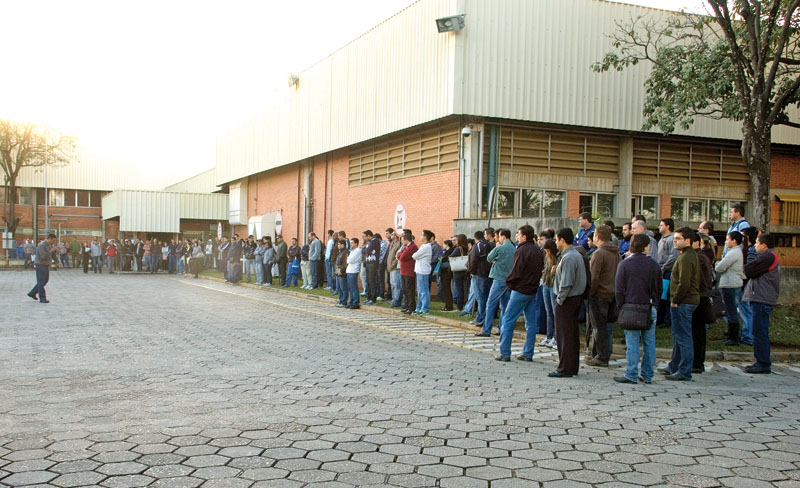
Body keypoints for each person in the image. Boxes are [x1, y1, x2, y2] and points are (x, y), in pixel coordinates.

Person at [614, 234, 662, 384]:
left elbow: (619, 289)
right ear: (645, 246)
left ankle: (631, 373)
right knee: (649, 342)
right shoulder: (654, 265)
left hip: (630, 306)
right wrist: (655, 302)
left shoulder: (625, 264)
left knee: (632, 342)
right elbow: (659, 288)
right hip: (648, 306)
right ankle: (647, 374)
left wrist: (621, 305)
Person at [494, 225, 543, 362]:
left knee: (508, 320)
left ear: (524, 236)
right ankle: (528, 353)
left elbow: (517, 270)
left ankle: (505, 352)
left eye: (518, 235)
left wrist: (510, 283)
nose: (516, 237)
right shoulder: (538, 251)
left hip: (520, 289)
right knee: (531, 323)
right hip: (532, 290)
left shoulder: (521, 250)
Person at [660, 227, 700, 381]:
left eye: (678, 238)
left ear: (687, 241)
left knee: (683, 336)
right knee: (678, 335)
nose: (674, 241)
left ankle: (684, 370)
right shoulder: (685, 255)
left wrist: (675, 299)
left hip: (683, 301)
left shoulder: (686, 257)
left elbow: (684, 282)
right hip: (683, 300)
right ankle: (674, 365)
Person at [551, 228, 587, 378]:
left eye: (556, 239)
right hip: (571, 299)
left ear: (562, 240)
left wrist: (559, 300)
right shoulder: (571, 255)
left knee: (565, 335)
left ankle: (565, 367)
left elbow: (566, 283)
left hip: (567, 300)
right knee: (570, 334)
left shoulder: (570, 257)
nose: (555, 242)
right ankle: (570, 366)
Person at [742, 233, 780, 374]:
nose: (755, 246)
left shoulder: (768, 257)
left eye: (757, 243)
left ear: (764, 245)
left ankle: (763, 363)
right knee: (758, 330)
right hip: (760, 298)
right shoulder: (768, 256)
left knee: (759, 331)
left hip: (762, 299)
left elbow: (749, 269)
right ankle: (761, 361)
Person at [585, 225, 620, 367]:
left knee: (599, 327)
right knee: (604, 326)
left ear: (597, 237)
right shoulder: (615, 253)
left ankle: (601, 356)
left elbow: (594, 278)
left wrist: (590, 294)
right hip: (612, 292)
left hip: (599, 294)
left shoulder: (599, 253)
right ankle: (597, 353)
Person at [476, 228, 515, 337]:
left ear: (503, 236)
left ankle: (486, 329)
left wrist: (497, 249)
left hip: (498, 278)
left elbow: (489, 258)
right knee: (505, 306)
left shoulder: (500, 248)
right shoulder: (513, 248)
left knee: (491, 304)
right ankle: (502, 328)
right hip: (509, 279)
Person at [691, 231, 715, 374]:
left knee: (697, 333)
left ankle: (697, 362)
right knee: (698, 332)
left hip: (700, 298)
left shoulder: (698, 257)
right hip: (701, 296)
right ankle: (697, 362)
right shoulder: (701, 256)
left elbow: (698, 280)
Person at [716, 231, 745, 346]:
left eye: (728, 239)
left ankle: (734, 337)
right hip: (732, 283)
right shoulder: (735, 252)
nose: (726, 242)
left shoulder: (734, 252)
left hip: (730, 284)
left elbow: (720, 268)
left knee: (731, 310)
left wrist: (717, 264)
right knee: (730, 310)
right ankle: (732, 335)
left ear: (734, 241)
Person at [467, 231, 491, 325]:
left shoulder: (477, 246)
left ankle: (480, 318)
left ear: (475, 238)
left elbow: (473, 260)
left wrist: (472, 271)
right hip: (486, 273)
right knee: (484, 296)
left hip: (478, 274)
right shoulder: (487, 245)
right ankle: (484, 317)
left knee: (480, 297)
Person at [539, 239, 558, 349]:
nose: (547, 253)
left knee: (555, 312)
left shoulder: (556, 258)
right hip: (545, 284)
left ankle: (556, 337)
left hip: (553, 285)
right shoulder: (545, 257)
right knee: (548, 312)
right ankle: (549, 336)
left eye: (548, 251)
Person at [27, 234, 57, 303]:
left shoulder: (50, 245)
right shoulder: (42, 245)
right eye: (54, 240)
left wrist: (58, 261)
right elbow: (43, 256)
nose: (54, 242)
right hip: (40, 264)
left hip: (46, 264)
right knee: (41, 281)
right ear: (50, 239)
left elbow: (53, 255)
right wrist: (51, 251)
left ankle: (32, 292)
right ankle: (42, 297)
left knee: (45, 280)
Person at [412, 230, 433, 315]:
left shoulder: (427, 247)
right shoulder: (423, 246)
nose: (420, 237)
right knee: (420, 291)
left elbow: (414, 256)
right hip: (419, 270)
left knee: (424, 291)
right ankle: (419, 307)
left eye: (422, 235)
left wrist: (417, 256)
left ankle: (425, 308)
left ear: (425, 237)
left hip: (423, 271)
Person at [396, 233, 418, 315]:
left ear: (406, 240)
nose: (401, 242)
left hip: (409, 272)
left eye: (402, 240)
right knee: (405, 290)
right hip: (403, 271)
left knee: (409, 290)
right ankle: (408, 306)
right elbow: (398, 254)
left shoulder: (412, 247)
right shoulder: (406, 247)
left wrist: (400, 255)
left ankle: (412, 306)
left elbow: (402, 257)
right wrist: (400, 255)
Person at [386, 229, 403, 307]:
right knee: (392, 284)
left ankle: (397, 300)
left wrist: (393, 264)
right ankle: (393, 299)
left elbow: (397, 257)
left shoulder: (399, 243)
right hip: (390, 267)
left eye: (393, 234)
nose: (391, 235)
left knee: (396, 284)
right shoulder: (392, 243)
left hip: (395, 267)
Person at [451, 234, 469, 312]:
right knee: (464, 289)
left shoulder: (458, 249)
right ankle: (463, 305)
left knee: (459, 290)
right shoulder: (466, 249)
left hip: (458, 271)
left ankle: (459, 307)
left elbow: (451, 257)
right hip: (464, 270)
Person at [363, 230, 380, 305]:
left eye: (365, 236)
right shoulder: (368, 243)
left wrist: (366, 250)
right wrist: (366, 250)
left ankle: (373, 299)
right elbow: (363, 250)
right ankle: (369, 297)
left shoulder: (374, 241)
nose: (364, 238)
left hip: (373, 263)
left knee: (372, 281)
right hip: (368, 263)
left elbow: (367, 250)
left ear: (369, 236)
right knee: (368, 281)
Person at [346, 237, 362, 309]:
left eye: (352, 243)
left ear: (356, 243)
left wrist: (348, 259)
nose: (350, 244)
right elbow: (347, 260)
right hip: (349, 270)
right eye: (350, 243)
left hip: (353, 271)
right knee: (350, 288)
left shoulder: (358, 250)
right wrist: (348, 259)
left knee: (354, 287)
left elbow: (351, 260)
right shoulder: (352, 251)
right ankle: (351, 301)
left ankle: (356, 302)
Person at [335, 239, 349, 307]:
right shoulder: (339, 252)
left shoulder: (346, 252)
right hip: (338, 271)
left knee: (343, 288)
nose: (338, 245)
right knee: (339, 288)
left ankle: (344, 302)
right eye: (338, 244)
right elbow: (337, 263)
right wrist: (337, 271)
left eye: (340, 244)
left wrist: (341, 271)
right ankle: (340, 301)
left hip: (343, 273)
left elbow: (345, 263)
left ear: (343, 245)